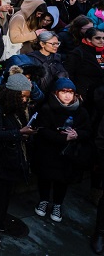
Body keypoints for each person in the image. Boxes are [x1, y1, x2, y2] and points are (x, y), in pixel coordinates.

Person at [0, 72, 36, 249]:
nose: (25, 100)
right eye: (23, 96)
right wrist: (19, 133)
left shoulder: (14, 109)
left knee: (4, 199)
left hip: (11, 161)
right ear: (13, 94)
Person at [32, 78, 91, 223]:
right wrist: (63, 138)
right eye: (63, 91)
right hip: (48, 151)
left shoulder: (81, 111)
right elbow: (42, 130)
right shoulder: (46, 108)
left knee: (62, 180)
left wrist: (77, 135)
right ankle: (44, 200)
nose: (67, 95)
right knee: (45, 177)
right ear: (56, 93)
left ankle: (57, 204)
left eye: (70, 92)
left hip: (68, 154)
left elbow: (88, 131)